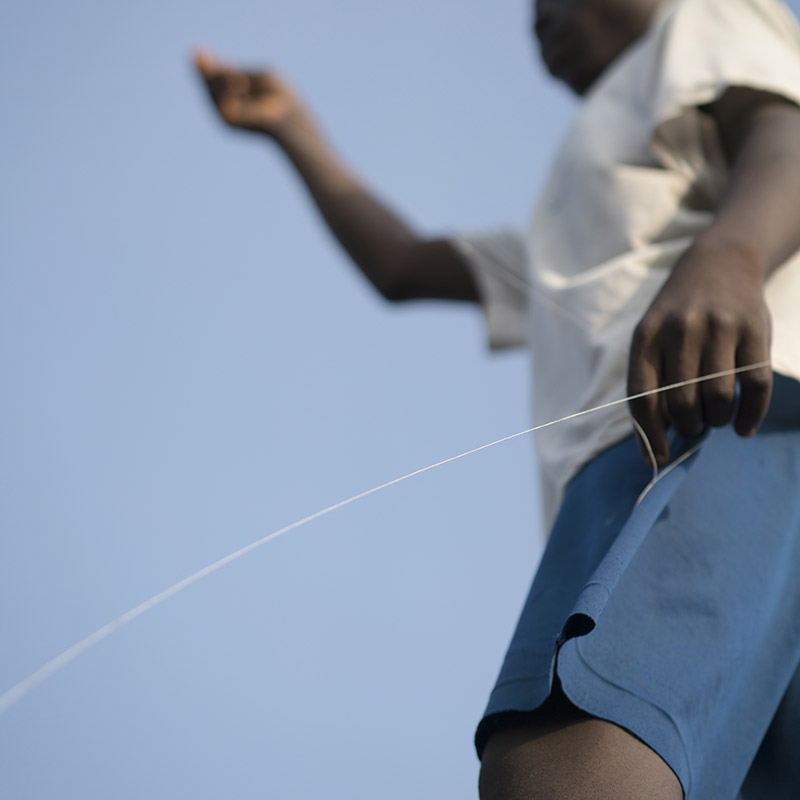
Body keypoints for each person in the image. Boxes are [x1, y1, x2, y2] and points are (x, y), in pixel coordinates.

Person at [194, 0, 800, 796]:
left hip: (709, 428)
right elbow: (403, 264)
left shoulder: (703, 20)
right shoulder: (565, 225)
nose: (536, 20)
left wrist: (728, 253)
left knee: (568, 759)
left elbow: (784, 133)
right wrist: (293, 129)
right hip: (711, 457)